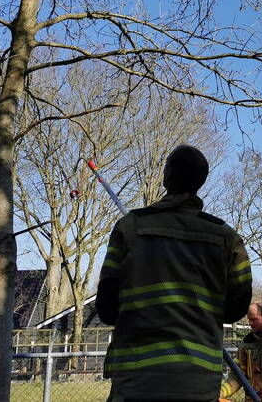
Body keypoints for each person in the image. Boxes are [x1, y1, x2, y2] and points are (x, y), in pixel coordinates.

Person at [95, 144, 253, 402]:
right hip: (198, 381)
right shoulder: (227, 238)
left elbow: (106, 308)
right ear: (201, 182)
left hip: (136, 381)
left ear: (166, 177)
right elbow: (236, 308)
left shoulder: (129, 227)